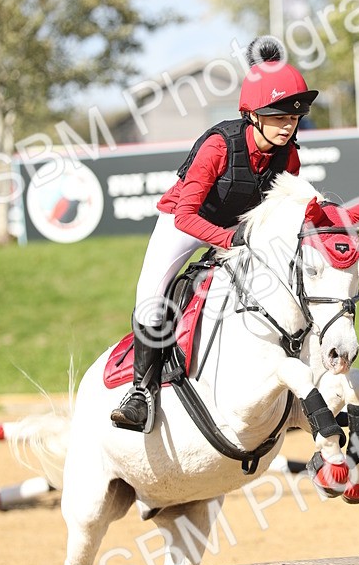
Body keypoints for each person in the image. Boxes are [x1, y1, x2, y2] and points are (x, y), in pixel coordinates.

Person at [111, 36, 319, 433]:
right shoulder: (218, 145)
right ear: (252, 115)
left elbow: (286, 208)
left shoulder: (288, 154)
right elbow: (186, 215)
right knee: (152, 295)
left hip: (241, 226)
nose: (287, 125)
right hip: (187, 223)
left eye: (293, 117)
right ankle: (141, 392)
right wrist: (228, 240)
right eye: (278, 116)